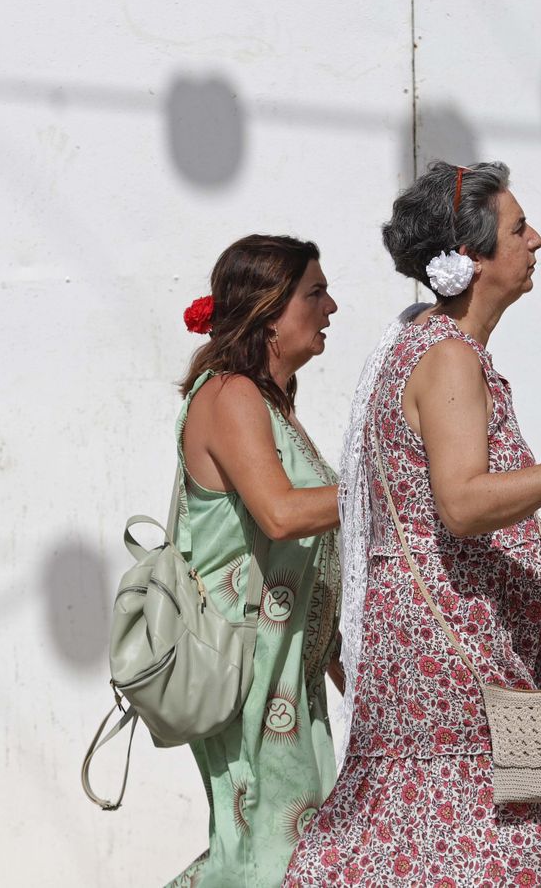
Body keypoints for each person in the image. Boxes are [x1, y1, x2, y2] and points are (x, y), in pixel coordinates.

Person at [284, 162, 541, 886]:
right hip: (458, 673)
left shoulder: (419, 345)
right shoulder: (448, 358)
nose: (537, 241)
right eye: (519, 230)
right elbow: (462, 502)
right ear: (471, 258)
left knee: (428, 840)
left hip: (444, 661)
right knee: (496, 843)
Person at [166, 235, 346, 887]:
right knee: (266, 856)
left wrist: (338, 657)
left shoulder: (271, 403)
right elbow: (280, 514)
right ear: (271, 311)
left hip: (287, 670)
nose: (331, 308)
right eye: (316, 293)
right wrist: (391, 483)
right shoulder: (232, 395)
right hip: (248, 669)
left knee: (274, 851)